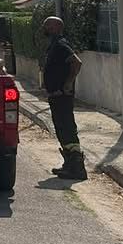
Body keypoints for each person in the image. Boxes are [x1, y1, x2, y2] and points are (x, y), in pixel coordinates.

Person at [42, 15, 86, 180]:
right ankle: (68, 165)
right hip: (56, 95)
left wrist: (68, 84)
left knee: (67, 128)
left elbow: (77, 62)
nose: (44, 29)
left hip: (62, 95)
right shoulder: (54, 45)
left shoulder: (61, 44)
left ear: (56, 27)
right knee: (61, 129)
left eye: (47, 26)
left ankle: (77, 168)